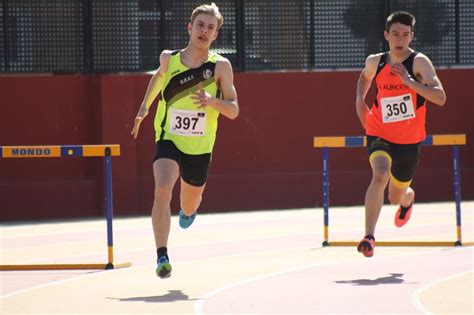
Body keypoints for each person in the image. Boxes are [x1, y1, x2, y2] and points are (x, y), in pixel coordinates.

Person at [131, 3, 239, 278]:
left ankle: (190, 210)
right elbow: (158, 76)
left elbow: (234, 109)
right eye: (200, 25)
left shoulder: (220, 67)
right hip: (169, 138)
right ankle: (162, 256)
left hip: (200, 147)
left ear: (216, 35)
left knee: (188, 204)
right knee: (162, 189)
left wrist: (212, 101)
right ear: (190, 28)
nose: (204, 31)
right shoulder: (170, 59)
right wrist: (144, 108)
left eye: (210, 27)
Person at [355, 11, 446, 257]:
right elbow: (364, 78)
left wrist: (409, 82)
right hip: (379, 130)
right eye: (395, 34)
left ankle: (407, 199)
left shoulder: (419, 63)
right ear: (386, 35)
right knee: (381, 175)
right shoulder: (377, 61)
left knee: (396, 196)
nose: (400, 39)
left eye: (405, 35)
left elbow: (440, 97)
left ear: (411, 36)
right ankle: (369, 237)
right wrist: (359, 101)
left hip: (409, 140)